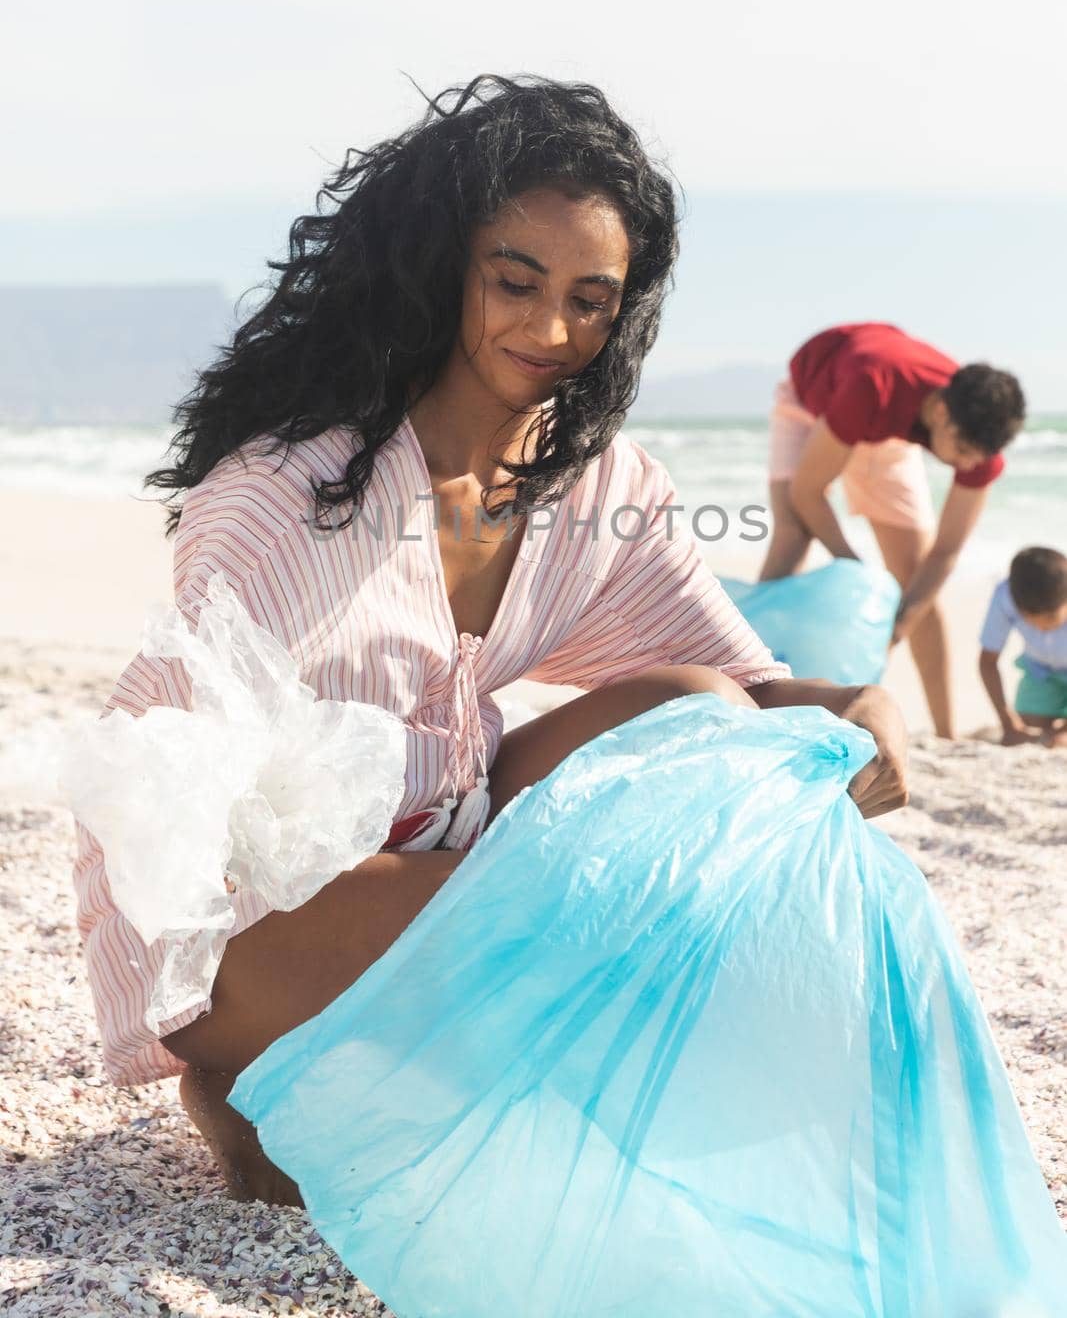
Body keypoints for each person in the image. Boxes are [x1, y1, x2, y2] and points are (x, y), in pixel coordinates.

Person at [72, 76, 907, 1206]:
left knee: (694, 702)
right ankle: (248, 1068)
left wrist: (858, 705)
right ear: (438, 264)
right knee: (553, 931)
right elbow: (183, 820)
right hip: (254, 917)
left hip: (447, 854)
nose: (551, 329)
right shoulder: (284, 494)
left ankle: (430, 1037)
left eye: (589, 299)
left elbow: (749, 689)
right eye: (514, 282)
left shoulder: (599, 488)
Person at [759, 321, 1025, 738]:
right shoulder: (872, 385)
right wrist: (859, 575)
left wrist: (898, 623)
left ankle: (944, 733)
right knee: (794, 534)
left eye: (979, 458)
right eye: (963, 452)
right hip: (813, 401)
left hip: (888, 435)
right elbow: (807, 491)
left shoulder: (979, 446)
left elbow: (945, 553)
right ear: (941, 413)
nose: (968, 466)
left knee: (917, 578)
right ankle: (750, 695)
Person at [979, 545, 1067, 747]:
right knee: (1030, 725)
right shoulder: (1005, 597)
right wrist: (1009, 724)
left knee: (1059, 740)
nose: (1043, 628)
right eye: (1031, 620)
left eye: (1051, 618)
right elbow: (988, 661)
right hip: (1040, 669)